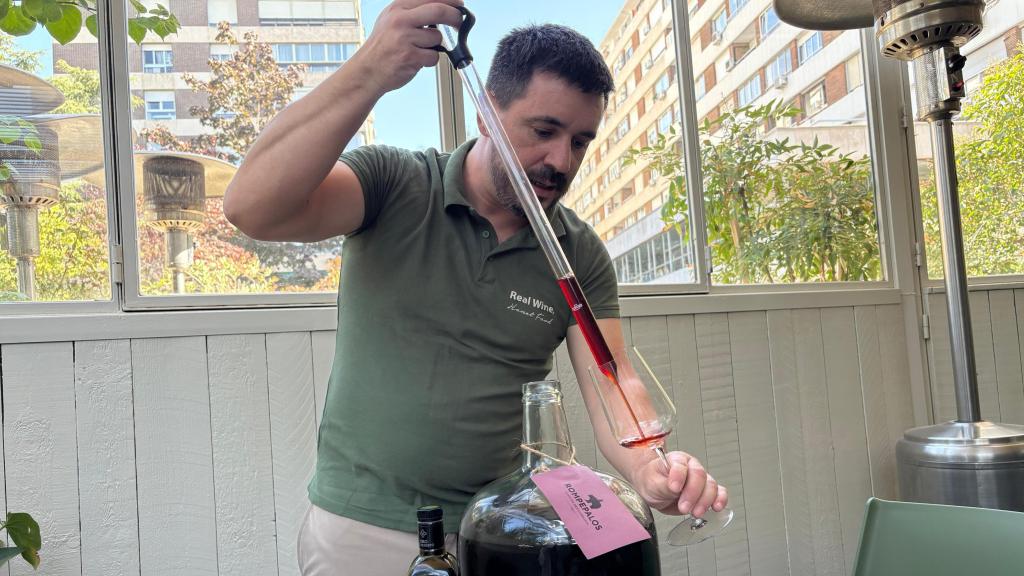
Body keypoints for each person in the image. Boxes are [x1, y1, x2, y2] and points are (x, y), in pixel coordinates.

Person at [224, 1, 728, 573]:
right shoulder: (394, 184)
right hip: (367, 526)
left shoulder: (577, 252)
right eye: (544, 130)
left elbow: (614, 384)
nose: (561, 161)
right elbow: (251, 208)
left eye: (581, 141)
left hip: (504, 528)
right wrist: (368, 71)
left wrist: (650, 469)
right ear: (487, 112)